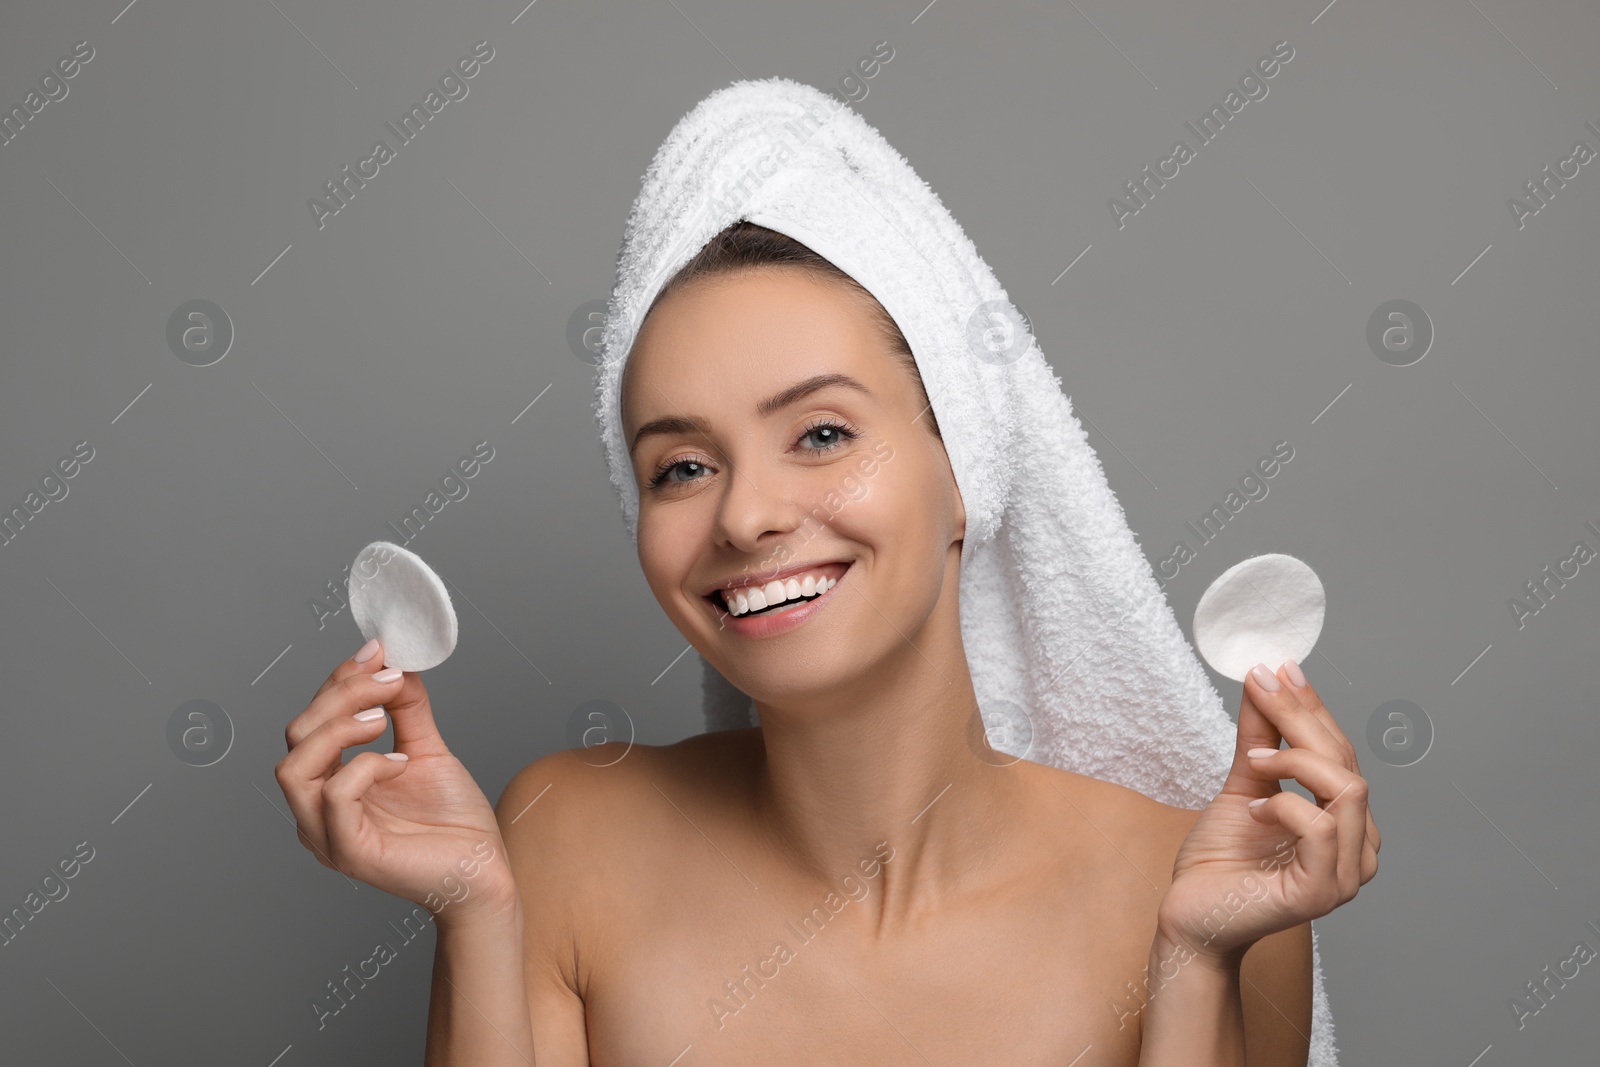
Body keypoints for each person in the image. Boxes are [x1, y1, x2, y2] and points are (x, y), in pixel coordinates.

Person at [275, 219, 1379, 1065]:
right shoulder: (568, 843)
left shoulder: (1201, 894)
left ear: (965, 475)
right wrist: (476, 908)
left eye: (820, 433)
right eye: (682, 465)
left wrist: (1190, 964)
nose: (745, 515)